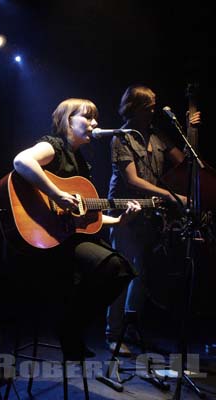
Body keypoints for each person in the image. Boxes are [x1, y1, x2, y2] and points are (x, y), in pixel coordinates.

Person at [12, 98, 141, 360]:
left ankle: (71, 326)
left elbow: (87, 217)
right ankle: (68, 328)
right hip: (46, 238)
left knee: (123, 271)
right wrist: (57, 194)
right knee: (112, 267)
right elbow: (21, 161)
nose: (95, 123)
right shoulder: (53, 146)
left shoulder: (82, 164)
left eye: (96, 118)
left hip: (69, 238)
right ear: (68, 121)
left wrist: (118, 221)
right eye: (88, 117)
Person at [105, 84, 201, 355]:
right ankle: (113, 334)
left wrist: (190, 129)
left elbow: (183, 162)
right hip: (123, 212)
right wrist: (173, 196)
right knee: (123, 272)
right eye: (148, 106)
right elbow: (133, 180)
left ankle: (130, 329)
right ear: (134, 108)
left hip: (149, 215)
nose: (153, 110)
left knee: (141, 274)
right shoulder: (122, 138)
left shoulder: (157, 136)